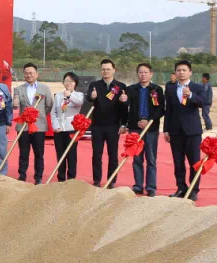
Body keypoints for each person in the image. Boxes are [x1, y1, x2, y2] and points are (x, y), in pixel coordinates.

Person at [164, 59, 206, 200]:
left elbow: (203, 103)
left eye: (184, 70)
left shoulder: (197, 87)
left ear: (190, 72)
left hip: (192, 131)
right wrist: (166, 130)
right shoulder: (170, 88)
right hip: (175, 131)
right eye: (178, 70)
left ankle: (193, 190)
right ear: (175, 73)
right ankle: (181, 188)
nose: (181, 73)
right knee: (178, 162)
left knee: (194, 162)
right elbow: (168, 110)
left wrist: (191, 95)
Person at [87, 59, 129, 187]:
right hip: (97, 125)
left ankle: (111, 180)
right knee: (96, 154)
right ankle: (96, 180)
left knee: (113, 154)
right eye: (103, 69)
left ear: (114, 70)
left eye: (108, 69)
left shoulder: (120, 86)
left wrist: (123, 124)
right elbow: (88, 98)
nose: (105, 71)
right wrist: (92, 97)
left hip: (113, 126)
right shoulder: (94, 85)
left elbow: (125, 108)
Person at [126, 62, 165, 197]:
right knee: (137, 158)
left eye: (146, 72)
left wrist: (149, 121)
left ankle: (151, 187)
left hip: (151, 128)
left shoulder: (157, 90)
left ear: (151, 74)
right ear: (137, 74)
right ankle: (138, 186)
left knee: (151, 159)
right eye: (141, 72)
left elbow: (161, 109)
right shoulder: (131, 89)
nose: (143, 74)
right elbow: (126, 107)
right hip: (135, 128)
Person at [12, 63, 54, 184]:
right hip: (23, 126)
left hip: (38, 126)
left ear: (36, 74)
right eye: (26, 73)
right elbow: (16, 105)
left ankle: (38, 177)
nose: (29, 75)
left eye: (31, 73)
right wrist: (15, 104)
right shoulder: (18, 89)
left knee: (39, 153)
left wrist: (40, 115)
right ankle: (22, 176)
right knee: (23, 152)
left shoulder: (44, 88)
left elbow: (49, 105)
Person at [50, 71, 85, 182]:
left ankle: (71, 179)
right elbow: (54, 112)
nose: (69, 83)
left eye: (71, 81)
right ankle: (61, 179)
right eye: (66, 81)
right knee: (60, 155)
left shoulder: (78, 95)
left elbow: (79, 103)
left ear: (75, 83)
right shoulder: (58, 96)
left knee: (71, 156)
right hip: (59, 130)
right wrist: (56, 126)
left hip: (72, 129)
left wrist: (69, 95)